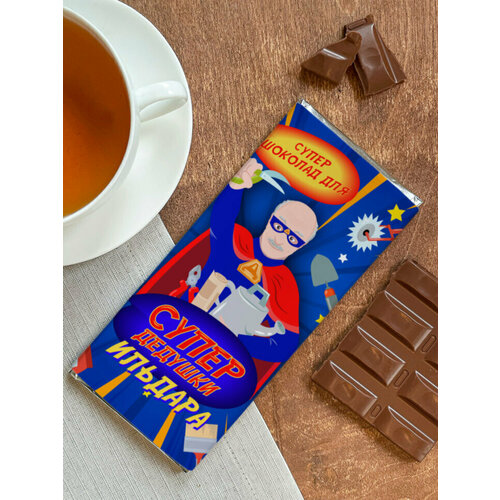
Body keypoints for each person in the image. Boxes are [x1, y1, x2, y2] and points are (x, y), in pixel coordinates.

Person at [191, 158, 317, 364]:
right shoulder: (238, 240)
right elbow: (222, 218)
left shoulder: (284, 284)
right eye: (279, 227)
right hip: (180, 319)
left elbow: (284, 346)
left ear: (300, 246)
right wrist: (235, 187)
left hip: (216, 356)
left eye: (293, 238)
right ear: (270, 219)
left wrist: (238, 338)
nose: (280, 239)